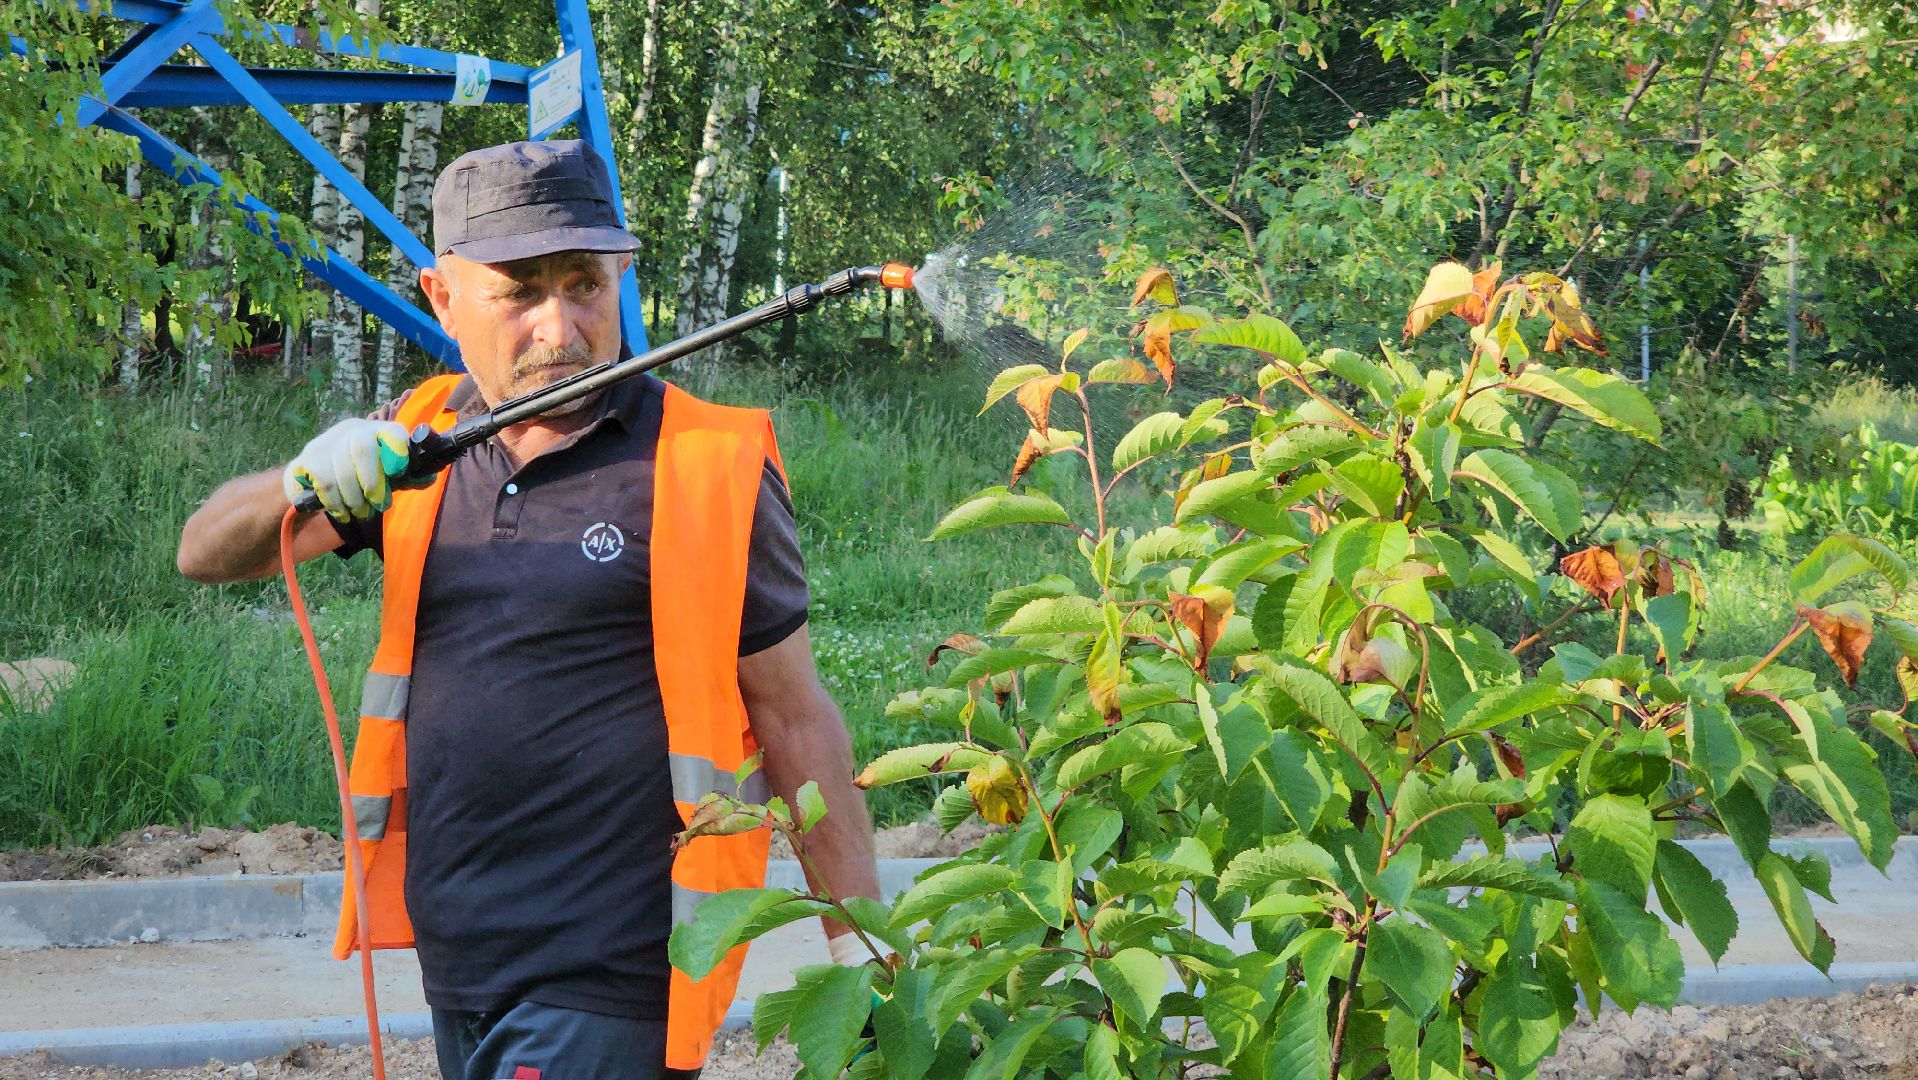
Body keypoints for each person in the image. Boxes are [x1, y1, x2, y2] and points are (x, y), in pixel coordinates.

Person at [176, 140, 881, 1080]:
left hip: (614, 970)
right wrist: (305, 475)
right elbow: (203, 553)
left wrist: (860, 949)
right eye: (520, 292)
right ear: (443, 296)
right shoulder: (419, 443)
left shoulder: (705, 464)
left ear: (621, 278)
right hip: (458, 956)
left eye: (585, 285)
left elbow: (796, 716)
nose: (561, 327)